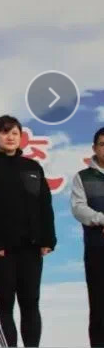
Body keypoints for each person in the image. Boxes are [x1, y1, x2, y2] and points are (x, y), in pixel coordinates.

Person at [0, 115, 56, 348]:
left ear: (21, 137)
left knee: (31, 303)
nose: (10, 137)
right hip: (1, 250)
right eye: (4, 132)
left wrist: (47, 240)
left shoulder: (32, 167)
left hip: (31, 247)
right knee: (4, 304)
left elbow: (44, 205)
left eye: (15, 133)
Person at [72, 127, 104, 347]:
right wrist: (101, 219)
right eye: (102, 144)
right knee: (99, 306)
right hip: (97, 250)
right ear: (94, 148)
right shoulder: (82, 177)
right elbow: (78, 208)